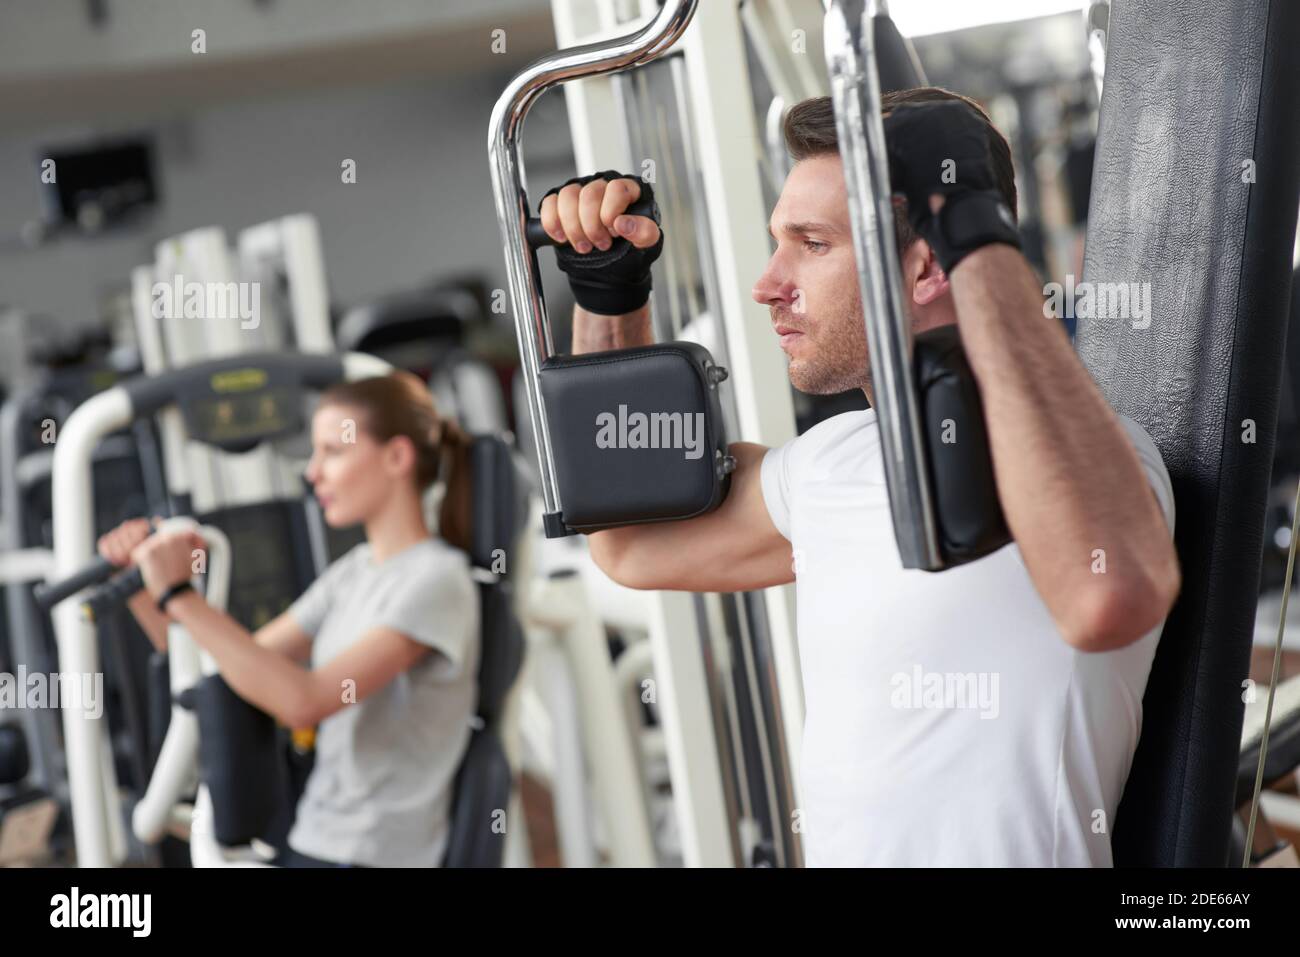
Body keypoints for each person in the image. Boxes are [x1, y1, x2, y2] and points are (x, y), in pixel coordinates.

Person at [535, 87, 1181, 866]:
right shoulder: (832, 461)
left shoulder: (1093, 456)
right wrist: (610, 297)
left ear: (924, 266)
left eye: (811, 243)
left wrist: (981, 246)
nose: (768, 282)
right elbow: (630, 543)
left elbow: (1107, 596)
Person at [97, 371, 480, 867]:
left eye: (333, 452)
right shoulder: (356, 573)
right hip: (314, 840)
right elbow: (228, 668)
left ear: (397, 457)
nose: (312, 472)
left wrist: (180, 594)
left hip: (371, 857)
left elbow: (307, 702)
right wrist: (147, 588)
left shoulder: (436, 581)